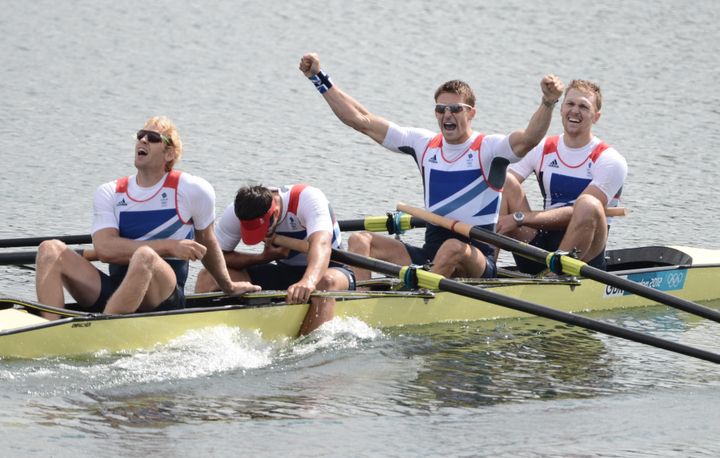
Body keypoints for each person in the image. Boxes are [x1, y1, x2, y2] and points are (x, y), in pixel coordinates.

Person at [298, 52, 564, 281]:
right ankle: (360, 302)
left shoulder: (489, 148)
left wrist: (548, 102)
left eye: (455, 109)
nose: (447, 115)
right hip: (431, 253)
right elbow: (362, 120)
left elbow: (529, 138)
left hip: (477, 260)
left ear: (471, 112)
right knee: (360, 240)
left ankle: (421, 298)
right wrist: (318, 78)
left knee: (452, 246)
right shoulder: (424, 145)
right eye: (440, 109)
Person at [35, 116, 260, 319]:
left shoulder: (192, 189)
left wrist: (228, 287)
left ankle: (103, 328)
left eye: (152, 138)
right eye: (139, 136)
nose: (142, 140)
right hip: (116, 289)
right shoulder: (111, 192)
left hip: (163, 298)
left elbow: (208, 242)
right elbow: (104, 249)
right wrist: (171, 246)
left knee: (145, 256)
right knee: (49, 250)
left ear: (169, 154)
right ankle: (48, 331)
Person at [495, 79, 628, 274]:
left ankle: (555, 276)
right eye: (570, 104)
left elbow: (576, 212)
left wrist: (519, 217)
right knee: (503, 181)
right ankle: (484, 267)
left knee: (588, 204)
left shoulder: (610, 160)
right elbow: (495, 188)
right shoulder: (542, 148)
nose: (575, 111)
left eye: (583, 106)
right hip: (541, 243)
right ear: (561, 108)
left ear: (596, 116)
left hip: (585, 254)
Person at [194, 184, 355, 335]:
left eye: (262, 229)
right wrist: (264, 258)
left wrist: (309, 281)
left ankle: (308, 350)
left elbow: (322, 245)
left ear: (276, 213)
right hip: (285, 271)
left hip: (332, 269)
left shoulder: (307, 199)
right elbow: (216, 256)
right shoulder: (239, 211)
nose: (260, 235)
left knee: (325, 282)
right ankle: (198, 331)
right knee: (208, 276)